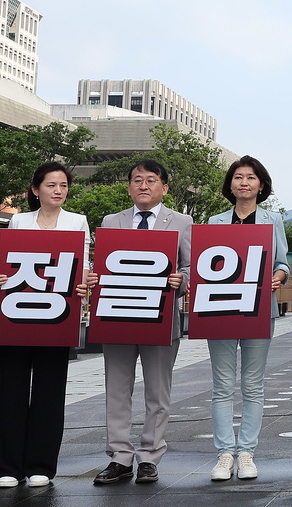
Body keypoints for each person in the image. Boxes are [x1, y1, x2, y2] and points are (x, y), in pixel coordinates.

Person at [88, 160, 193, 485]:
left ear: (164, 188)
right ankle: (119, 457)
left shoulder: (182, 222)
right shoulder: (111, 220)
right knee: (116, 391)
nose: (143, 186)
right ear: (129, 186)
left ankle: (149, 457)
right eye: (137, 180)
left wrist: (182, 279)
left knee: (157, 392)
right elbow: (101, 266)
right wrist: (94, 278)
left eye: (151, 180)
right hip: (118, 317)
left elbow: (193, 267)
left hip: (161, 320)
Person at [0, 163, 91, 488]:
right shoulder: (19, 220)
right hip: (19, 314)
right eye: (51, 185)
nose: (58, 190)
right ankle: (7, 466)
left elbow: (82, 266)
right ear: (35, 190)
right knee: (11, 388)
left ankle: (41, 465)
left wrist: (84, 284)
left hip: (58, 315)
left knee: (50, 389)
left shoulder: (78, 222)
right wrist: (0, 279)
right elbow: (11, 264)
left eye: (63, 185)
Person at [204, 156, 290, 481]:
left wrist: (279, 277)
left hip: (258, 309)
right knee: (222, 385)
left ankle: (247, 453)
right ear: (230, 185)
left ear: (261, 185)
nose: (244, 182)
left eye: (250, 178)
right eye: (238, 177)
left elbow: (282, 262)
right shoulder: (214, 222)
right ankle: (225, 453)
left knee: (253, 385)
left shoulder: (273, 220)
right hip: (221, 310)